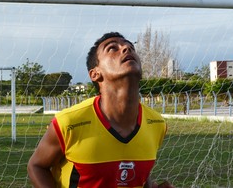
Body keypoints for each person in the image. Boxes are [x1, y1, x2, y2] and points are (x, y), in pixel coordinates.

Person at [27, 32, 173, 188]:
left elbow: (135, 175)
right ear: (95, 74)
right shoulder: (69, 122)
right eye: (112, 48)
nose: (126, 48)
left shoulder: (157, 124)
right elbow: (36, 166)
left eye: (131, 47)